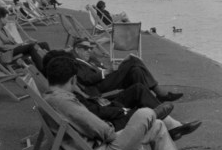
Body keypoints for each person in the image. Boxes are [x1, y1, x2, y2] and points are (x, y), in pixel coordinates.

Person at [43, 55, 210, 150]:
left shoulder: (51, 98)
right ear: (73, 79)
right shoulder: (64, 101)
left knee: (157, 125)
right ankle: (154, 116)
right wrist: (118, 134)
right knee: (144, 114)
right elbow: (99, 128)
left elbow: (89, 125)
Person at [42, 49, 200, 144]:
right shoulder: (66, 98)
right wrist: (122, 111)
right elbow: (98, 122)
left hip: (101, 106)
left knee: (137, 83)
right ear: (71, 77)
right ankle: (165, 119)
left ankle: (170, 123)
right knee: (150, 115)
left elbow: (90, 111)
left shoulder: (55, 95)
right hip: (106, 121)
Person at [68, 37, 186, 105]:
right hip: (100, 84)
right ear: (77, 49)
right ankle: (160, 93)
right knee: (133, 60)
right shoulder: (74, 62)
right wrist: (107, 71)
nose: (89, 51)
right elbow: (86, 78)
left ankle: (147, 102)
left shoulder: (88, 58)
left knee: (136, 71)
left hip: (107, 77)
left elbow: (99, 66)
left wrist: (110, 67)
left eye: (90, 48)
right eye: (85, 48)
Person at [0, 7, 50, 71]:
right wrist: (19, 45)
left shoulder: (3, 28)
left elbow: (12, 40)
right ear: (1, 19)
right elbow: (2, 47)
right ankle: (43, 70)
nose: (7, 21)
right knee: (31, 47)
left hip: (14, 48)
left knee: (44, 44)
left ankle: (52, 64)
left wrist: (24, 43)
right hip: (7, 53)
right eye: (6, 18)